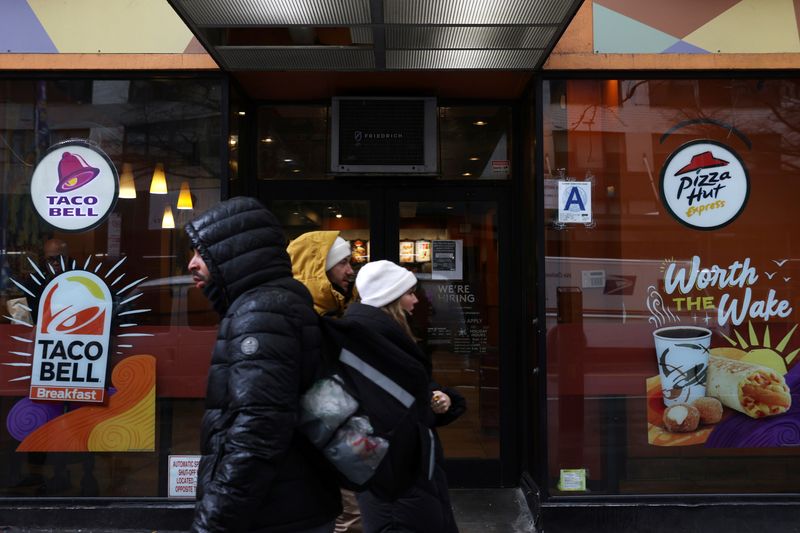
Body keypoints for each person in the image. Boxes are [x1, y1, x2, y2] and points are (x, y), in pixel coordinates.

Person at [185, 197, 341, 533]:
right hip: (293, 501)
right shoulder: (276, 302)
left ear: (232, 254)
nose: (192, 264)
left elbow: (258, 428)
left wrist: (216, 518)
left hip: (275, 512)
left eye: (202, 253)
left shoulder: (259, 312)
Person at [334, 260, 466, 533]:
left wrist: (443, 399)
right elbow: (392, 412)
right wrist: (429, 407)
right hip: (397, 477)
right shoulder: (370, 339)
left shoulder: (379, 336)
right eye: (409, 293)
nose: (416, 300)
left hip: (402, 475)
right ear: (391, 299)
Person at [287, 231, 362, 532]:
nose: (350, 270)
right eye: (342, 262)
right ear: (318, 268)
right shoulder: (301, 318)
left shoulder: (333, 313)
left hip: (336, 439)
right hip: (323, 441)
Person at [287, 231, 355, 317]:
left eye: (349, 262)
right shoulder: (297, 316)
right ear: (320, 269)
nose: (350, 271)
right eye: (343, 262)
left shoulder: (341, 307)